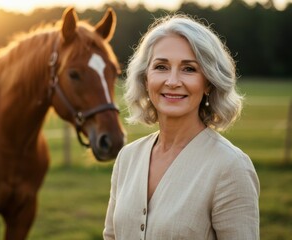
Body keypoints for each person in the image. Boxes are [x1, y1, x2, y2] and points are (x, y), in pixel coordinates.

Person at [103, 14, 259, 240]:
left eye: (189, 69)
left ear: (208, 82)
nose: (173, 81)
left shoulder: (231, 167)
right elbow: (111, 236)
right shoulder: (127, 158)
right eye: (161, 66)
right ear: (146, 80)